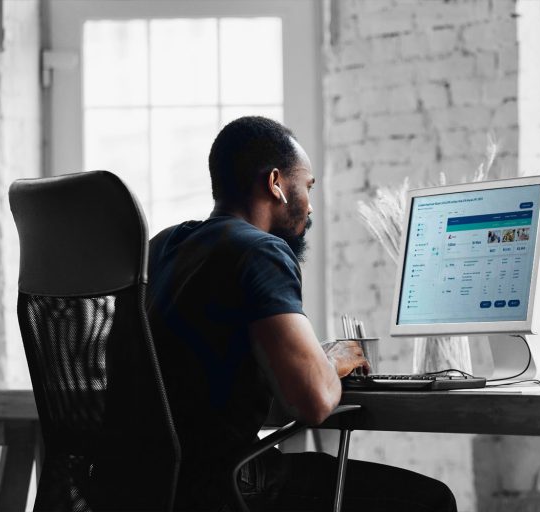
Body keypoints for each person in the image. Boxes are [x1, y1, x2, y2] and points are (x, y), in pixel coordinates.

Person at [146, 116, 457, 512]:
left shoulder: (161, 248)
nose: (309, 205)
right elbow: (314, 402)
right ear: (275, 183)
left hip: (147, 487)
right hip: (229, 486)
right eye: (307, 186)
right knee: (432, 501)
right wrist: (330, 359)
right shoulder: (259, 251)